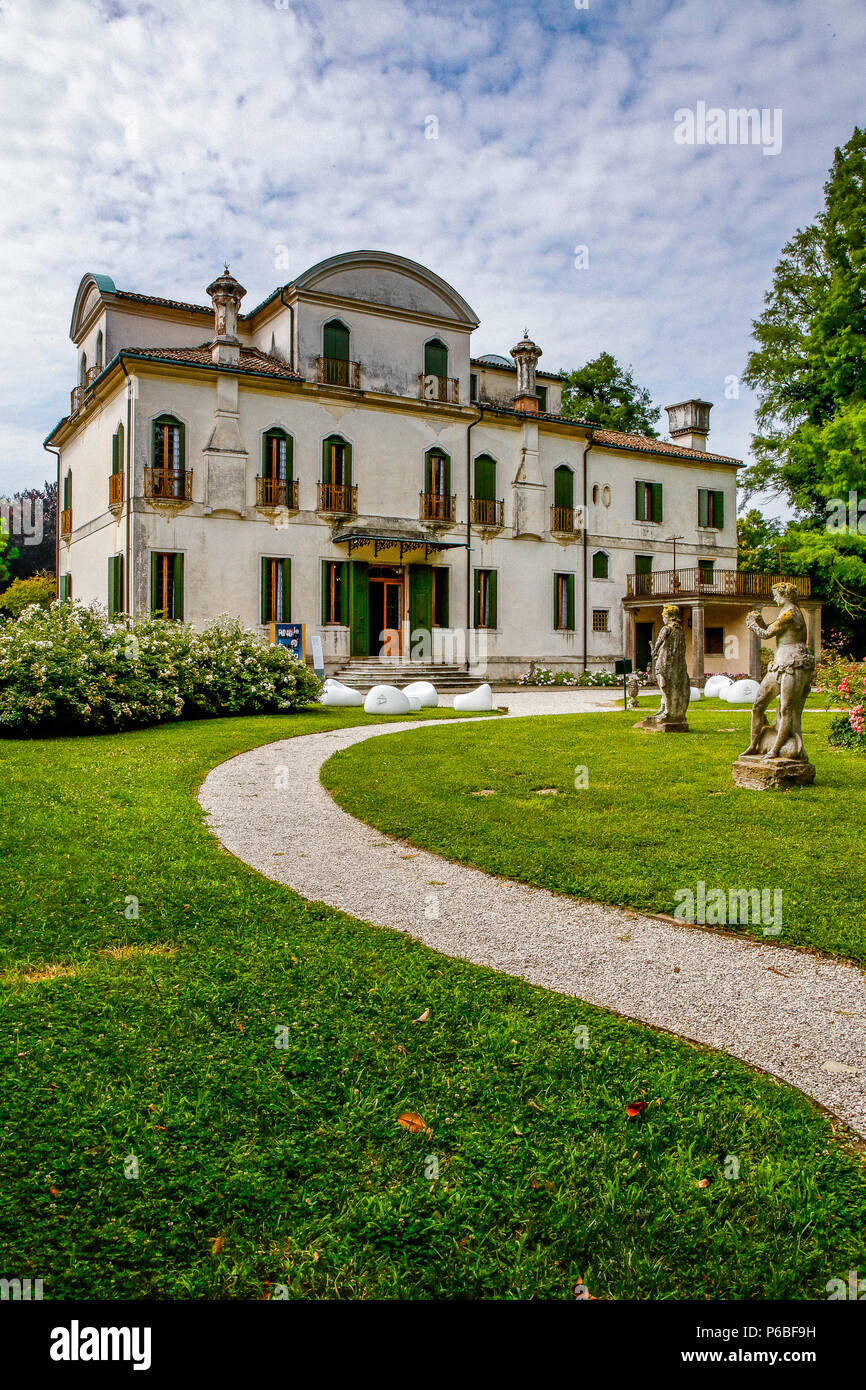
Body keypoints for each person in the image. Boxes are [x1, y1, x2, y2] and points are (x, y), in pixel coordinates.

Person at [743, 582, 815, 760]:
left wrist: (752, 624)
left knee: (786, 709)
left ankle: (775, 750)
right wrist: (760, 622)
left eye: (776, 594)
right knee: (758, 705)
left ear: (785, 595)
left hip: (794, 663)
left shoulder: (791, 614)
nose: (774, 598)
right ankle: (754, 745)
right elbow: (772, 628)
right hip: (779, 663)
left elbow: (767, 633)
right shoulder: (784, 613)